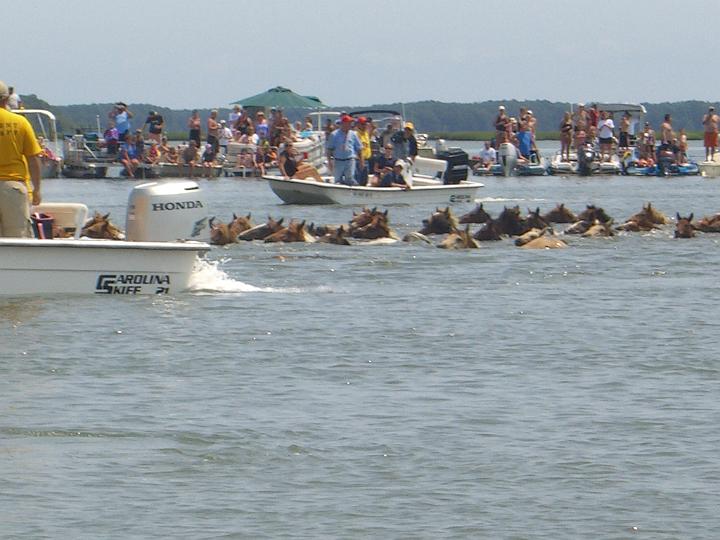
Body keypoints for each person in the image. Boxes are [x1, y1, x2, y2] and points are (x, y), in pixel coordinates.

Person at [0, 81, 42, 237]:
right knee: (18, 238)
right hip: (13, 188)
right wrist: (37, 189)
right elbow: (33, 158)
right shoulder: (21, 123)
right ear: (6, 99)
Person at [326, 114, 363, 185]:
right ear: (343, 124)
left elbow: (359, 148)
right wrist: (329, 162)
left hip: (350, 159)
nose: (350, 125)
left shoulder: (353, 134)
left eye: (350, 123)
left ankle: (353, 191)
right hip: (338, 160)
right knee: (337, 179)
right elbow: (329, 149)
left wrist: (361, 161)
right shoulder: (334, 135)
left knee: (350, 178)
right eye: (348, 123)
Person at [355, 117, 372, 185]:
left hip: (367, 160)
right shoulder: (356, 134)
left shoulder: (366, 134)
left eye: (365, 124)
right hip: (359, 160)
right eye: (362, 124)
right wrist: (361, 161)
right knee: (358, 179)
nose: (364, 125)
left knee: (365, 180)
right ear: (358, 124)